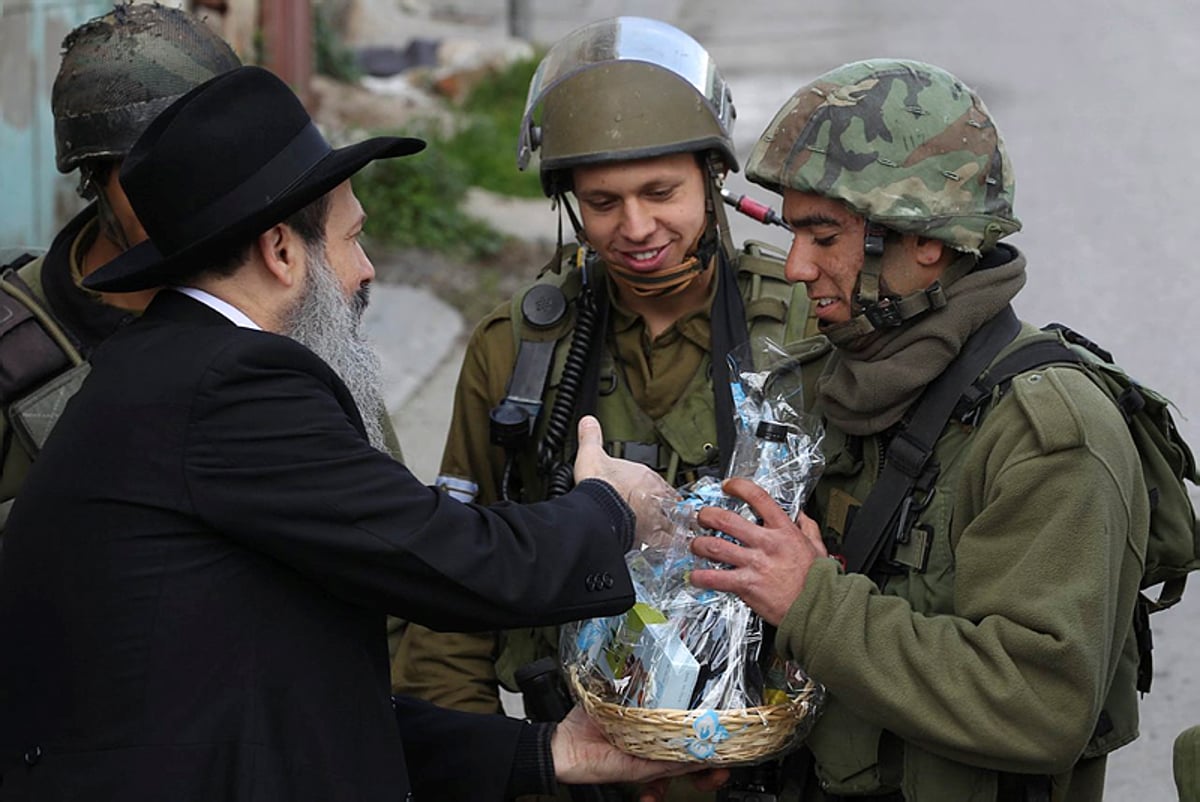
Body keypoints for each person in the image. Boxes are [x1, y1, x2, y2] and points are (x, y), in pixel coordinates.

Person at [0, 65, 718, 801]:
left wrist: (548, 752)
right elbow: (453, 561)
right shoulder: (231, 384)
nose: (365, 272)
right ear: (282, 252)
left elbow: (298, 704)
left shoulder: (167, 365)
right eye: (353, 240)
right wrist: (610, 507)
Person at [682, 59, 1150, 801]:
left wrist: (812, 602)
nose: (796, 265)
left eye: (823, 235)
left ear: (923, 241)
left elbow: (1040, 704)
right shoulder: (817, 390)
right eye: (792, 231)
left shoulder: (1046, 432)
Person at [391, 16, 824, 754]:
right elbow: (448, 591)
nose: (636, 226)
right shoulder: (518, 351)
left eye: (662, 191)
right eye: (602, 202)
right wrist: (509, 773)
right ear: (570, 203)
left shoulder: (808, 333)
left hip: (769, 755)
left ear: (713, 177)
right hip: (574, 753)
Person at [0, 4, 247, 527]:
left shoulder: (282, 295)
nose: (185, 190)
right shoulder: (17, 343)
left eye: (207, 157)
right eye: (151, 168)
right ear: (92, 177)